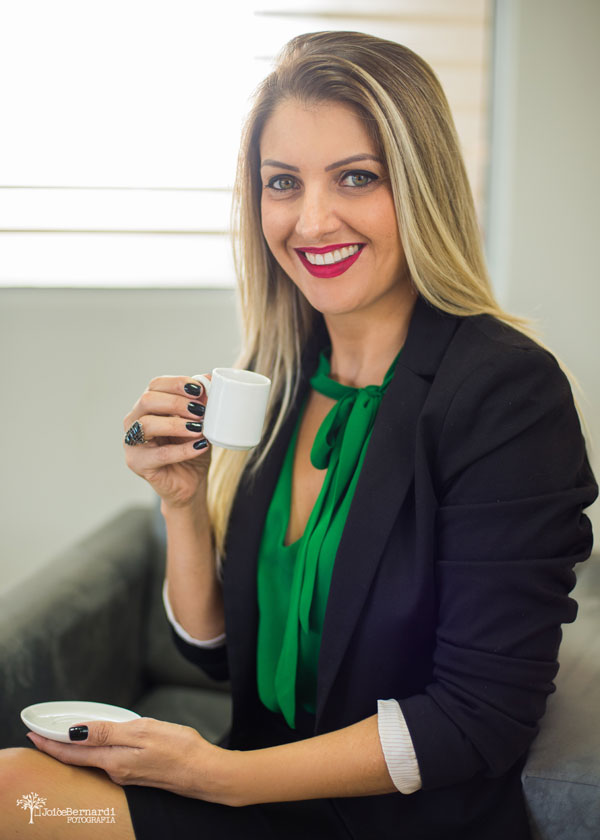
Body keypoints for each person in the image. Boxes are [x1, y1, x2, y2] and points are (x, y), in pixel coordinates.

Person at [0, 30, 596, 840]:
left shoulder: (507, 393)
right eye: (283, 183)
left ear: (421, 189)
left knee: (15, 803)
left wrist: (217, 775)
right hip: (259, 782)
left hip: (391, 821)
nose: (311, 220)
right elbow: (221, 654)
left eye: (357, 177)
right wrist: (180, 500)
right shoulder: (280, 378)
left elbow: (478, 716)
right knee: (18, 790)